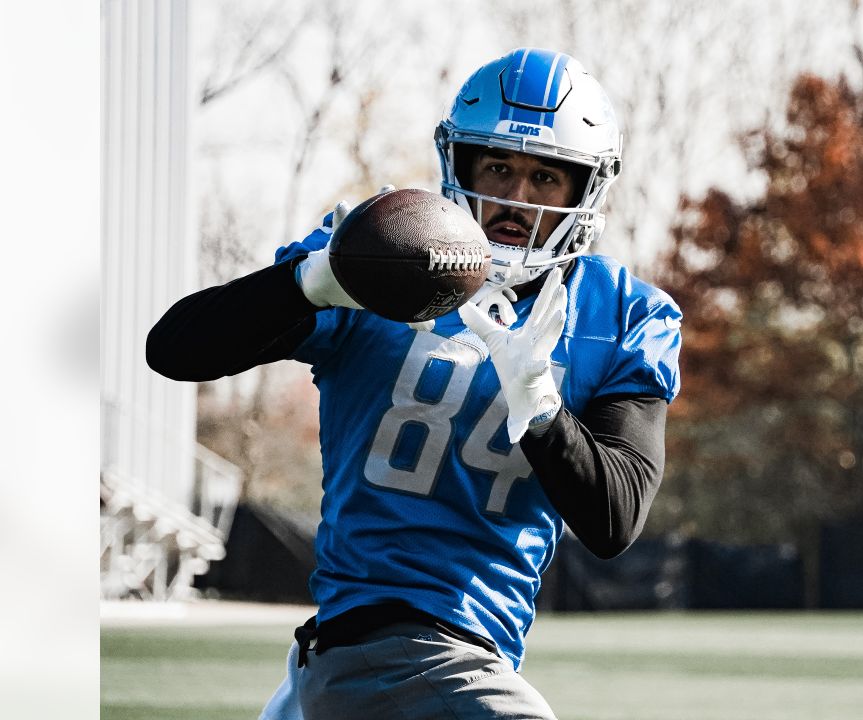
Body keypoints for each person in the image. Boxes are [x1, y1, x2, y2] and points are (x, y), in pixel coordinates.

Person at [147, 47, 681, 720]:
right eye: (498, 166)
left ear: (586, 188)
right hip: (378, 632)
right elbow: (174, 348)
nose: (515, 198)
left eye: (545, 176)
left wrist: (540, 405)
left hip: (458, 655)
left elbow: (613, 519)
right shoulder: (387, 263)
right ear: (459, 165)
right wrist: (308, 285)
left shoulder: (625, 313)